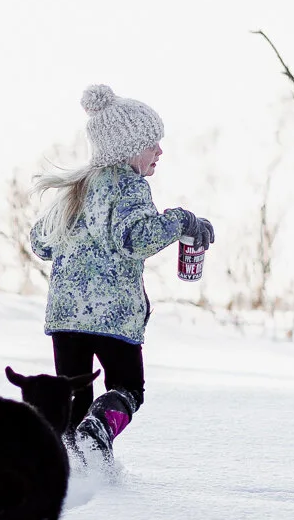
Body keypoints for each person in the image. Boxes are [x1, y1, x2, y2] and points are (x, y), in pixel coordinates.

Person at [30, 83, 213, 457]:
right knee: (128, 389)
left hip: (66, 318)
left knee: (73, 400)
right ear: (128, 148)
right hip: (113, 316)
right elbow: (136, 238)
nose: (160, 151)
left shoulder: (74, 187)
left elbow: (40, 244)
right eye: (152, 143)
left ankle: (73, 466)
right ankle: (98, 432)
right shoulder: (128, 186)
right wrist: (184, 221)